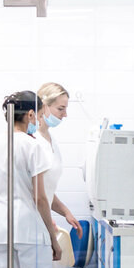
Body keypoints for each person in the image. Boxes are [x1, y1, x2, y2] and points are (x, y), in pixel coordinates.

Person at [0, 91, 62, 268]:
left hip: (1, 230)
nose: (38, 121)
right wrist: (53, 238)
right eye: (39, 116)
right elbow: (40, 197)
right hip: (29, 230)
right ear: (30, 114)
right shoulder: (33, 145)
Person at [36, 81, 83, 244]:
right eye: (61, 109)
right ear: (44, 106)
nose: (65, 115)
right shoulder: (33, 140)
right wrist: (48, 223)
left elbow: (46, 189)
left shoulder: (50, 139)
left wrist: (66, 212)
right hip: (31, 222)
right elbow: (35, 193)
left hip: (40, 221)